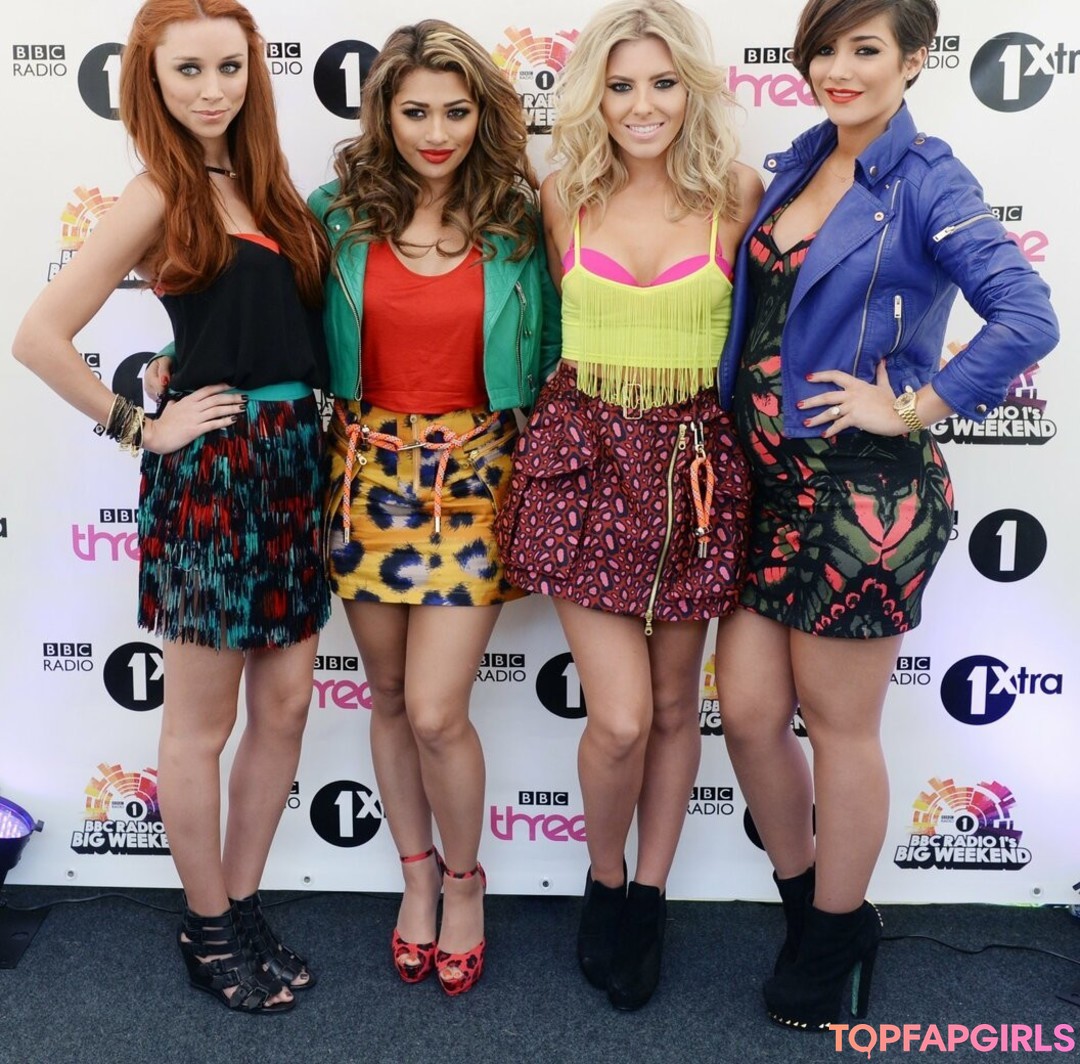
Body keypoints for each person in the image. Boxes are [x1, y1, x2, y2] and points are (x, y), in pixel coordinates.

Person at [711, 0, 1059, 1031]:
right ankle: (809, 906)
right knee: (749, 715)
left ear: (913, 60)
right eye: (825, 47)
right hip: (768, 484)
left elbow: (1027, 315)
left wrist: (910, 405)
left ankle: (832, 933)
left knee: (839, 727)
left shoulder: (929, 178)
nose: (839, 67)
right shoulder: (800, 160)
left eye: (865, 48)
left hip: (865, 497)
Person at [13, 0, 331, 1015]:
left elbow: (268, 316)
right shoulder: (159, 191)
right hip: (214, 477)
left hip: (296, 463)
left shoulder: (267, 183)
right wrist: (140, 426)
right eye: (187, 70)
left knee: (285, 706)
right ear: (150, 79)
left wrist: (173, 356)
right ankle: (206, 923)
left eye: (228, 67)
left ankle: (240, 902)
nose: (212, 89)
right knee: (201, 725)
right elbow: (40, 335)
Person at [496, 0, 760, 1011]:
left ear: (690, 89)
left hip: (695, 469)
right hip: (586, 464)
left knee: (673, 704)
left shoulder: (738, 192)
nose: (642, 104)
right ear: (593, 97)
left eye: (660, 82)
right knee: (618, 718)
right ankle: (603, 881)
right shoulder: (562, 193)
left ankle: (648, 894)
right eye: (619, 86)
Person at [307, 20, 560, 996]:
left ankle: (464, 881)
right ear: (385, 114)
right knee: (386, 696)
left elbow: (560, 344)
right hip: (362, 473)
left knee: (436, 709)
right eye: (416, 111)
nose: (437, 132)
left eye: (456, 111)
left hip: (475, 478)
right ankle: (415, 878)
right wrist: (175, 360)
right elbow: (268, 311)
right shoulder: (337, 214)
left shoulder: (519, 220)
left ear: (483, 115)